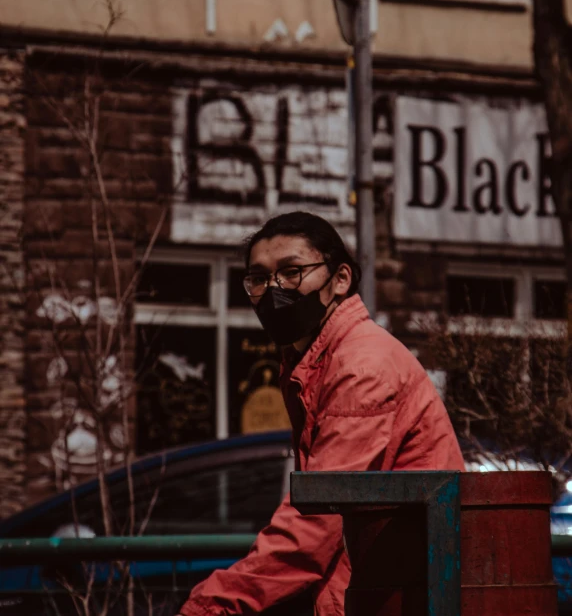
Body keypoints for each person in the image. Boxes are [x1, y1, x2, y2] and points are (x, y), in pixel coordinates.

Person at [177, 211, 464, 616]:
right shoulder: (314, 358)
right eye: (259, 278)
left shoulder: (359, 366)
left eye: (292, 272)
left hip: (406, 595)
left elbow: (317, 521)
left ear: (340, 280)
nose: (274, 289)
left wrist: (211, 605)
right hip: (387, 588)